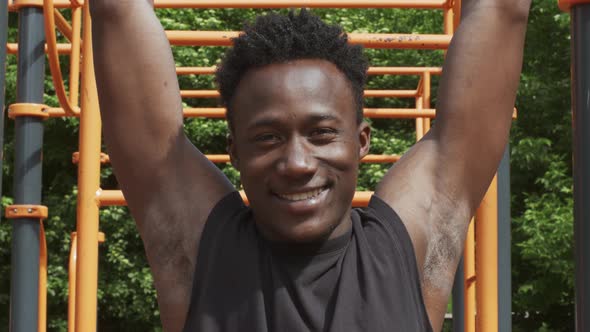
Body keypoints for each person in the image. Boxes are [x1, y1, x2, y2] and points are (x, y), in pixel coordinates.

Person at [89, 1, 531, 331]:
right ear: (235, 152)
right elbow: (115, 11)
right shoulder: (200, 247)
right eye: (268, 138)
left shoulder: (405, 250)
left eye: (321, 133)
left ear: (361, 142)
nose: (297, 163)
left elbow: (503, 9)